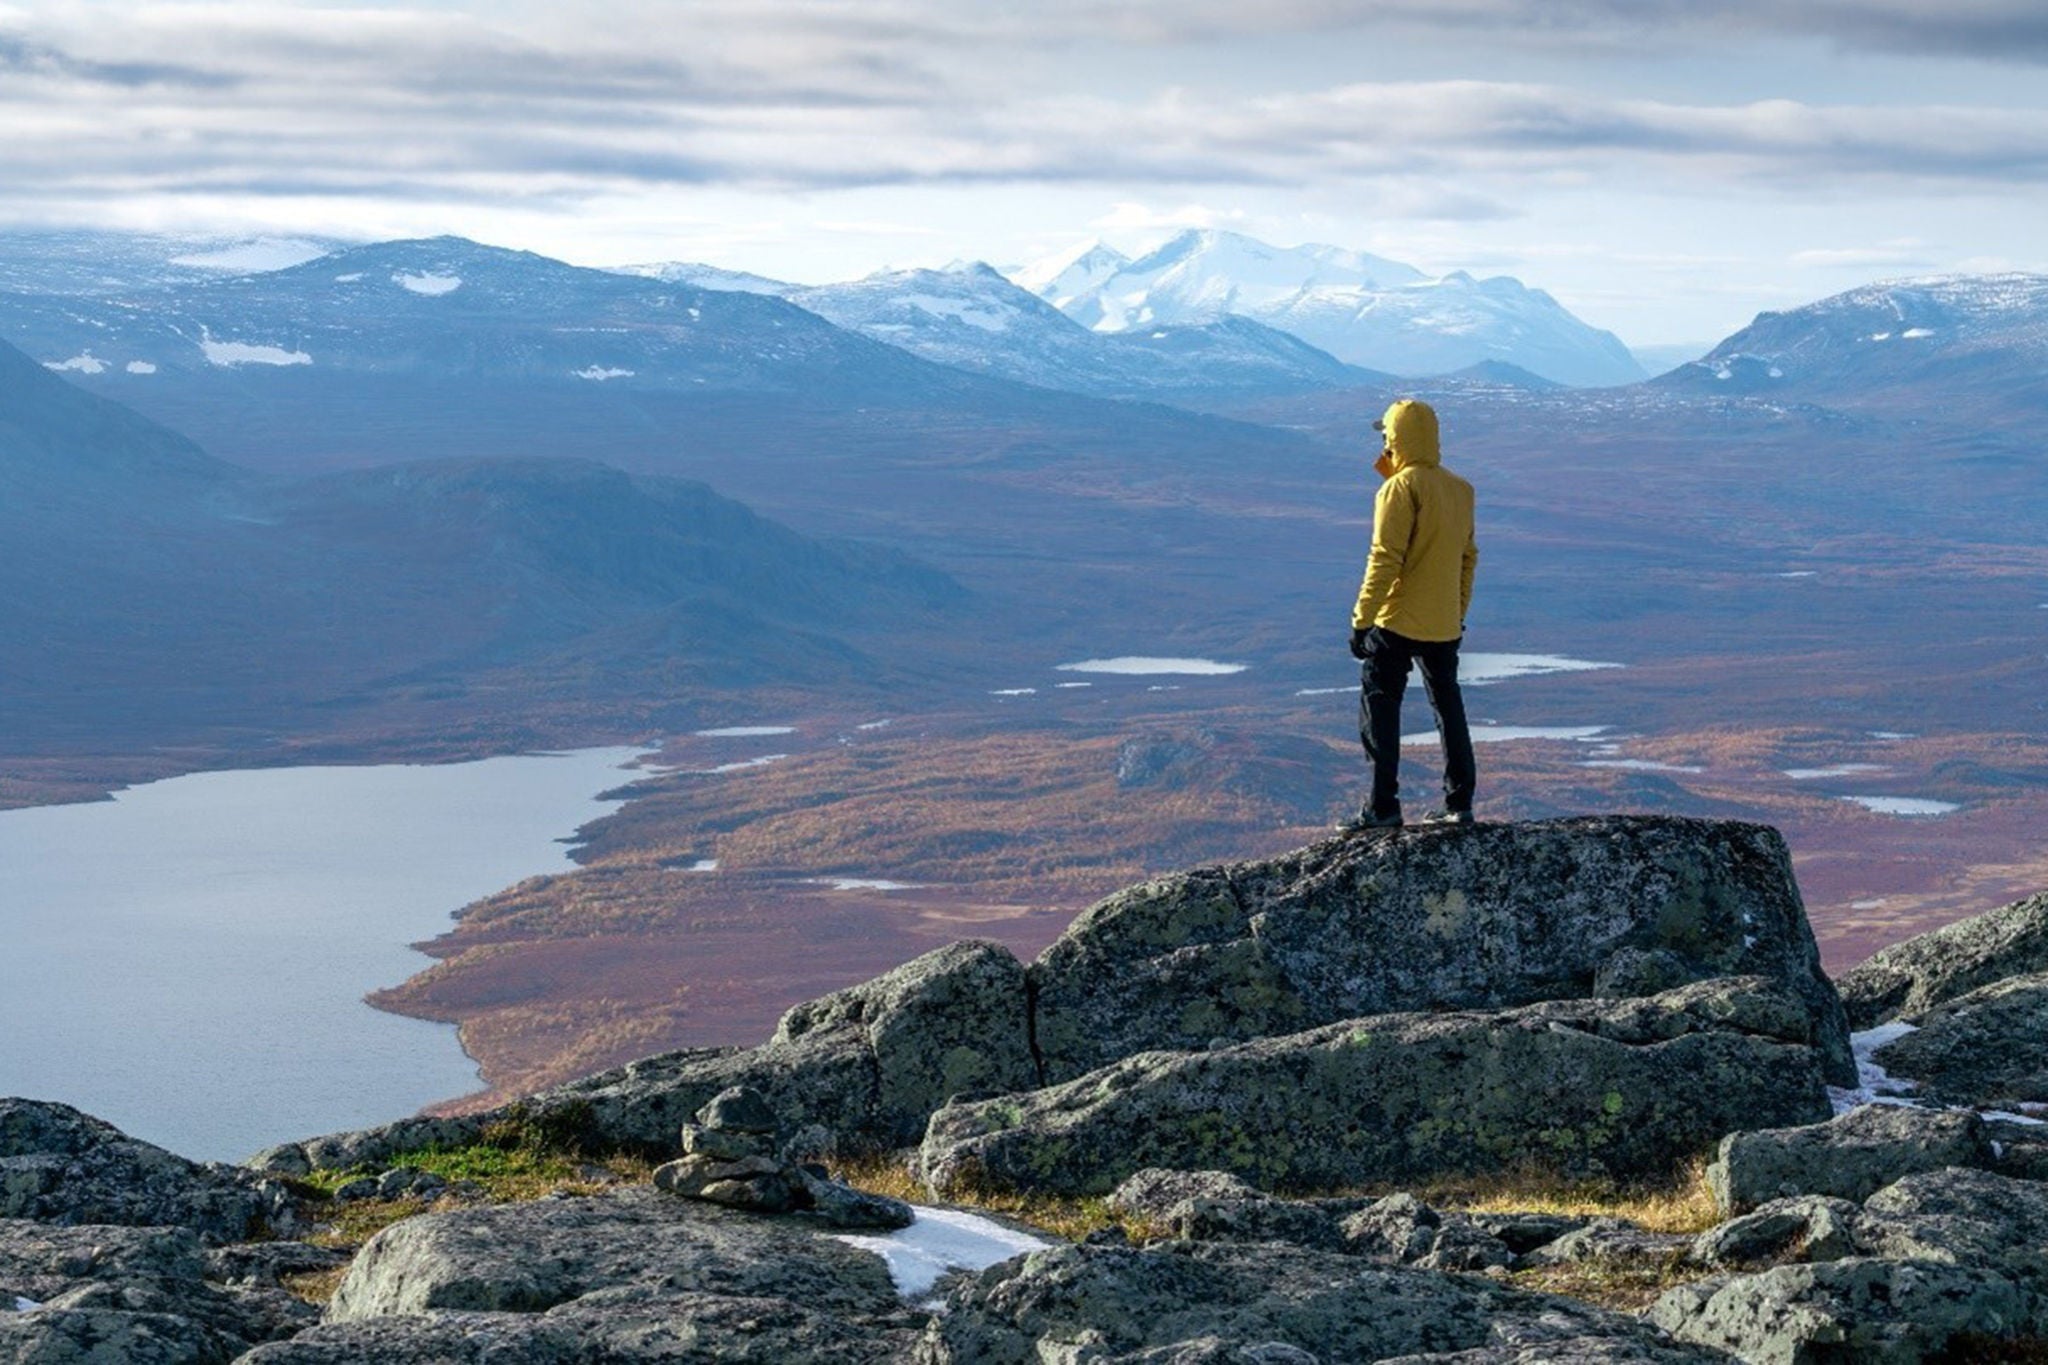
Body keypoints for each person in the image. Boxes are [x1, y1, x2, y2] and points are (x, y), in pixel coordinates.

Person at [1343, 398, 1478, 829]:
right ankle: (1459, 804)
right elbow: (1468, 558)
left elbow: (1385, 557)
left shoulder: (1399, 488)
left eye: (1386, 435)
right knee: (1448, 706)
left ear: (1395, 437)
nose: (1383, 442)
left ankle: (1383, 807)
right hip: (1443, 622)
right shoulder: (1460, 488)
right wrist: (1456, 612)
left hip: (1396, 620)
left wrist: (1361, 620)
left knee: (1381, 705)